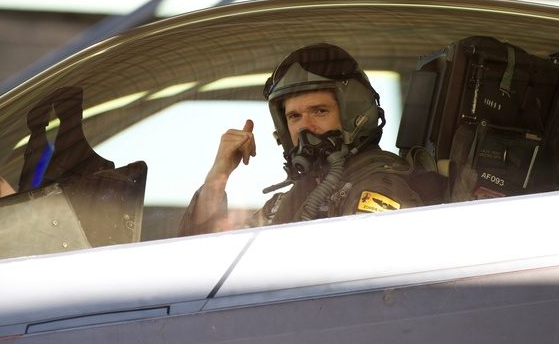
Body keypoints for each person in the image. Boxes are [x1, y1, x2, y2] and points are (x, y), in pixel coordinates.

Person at [179, 44, 437, 235]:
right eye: (294, 116)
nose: (305, 127)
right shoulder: (290, 200)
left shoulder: (379, 187)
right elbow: (207, 263)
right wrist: (218, 177)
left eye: (319, 111)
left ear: (355, 116)